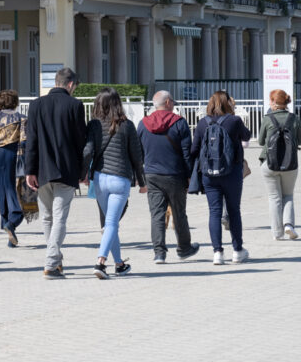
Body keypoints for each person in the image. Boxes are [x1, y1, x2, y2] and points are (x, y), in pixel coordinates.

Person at [24, 67, 88, 279]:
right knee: (59, 217)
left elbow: (31, 140)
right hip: (67, 170)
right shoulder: (75, 105)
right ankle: (51, 263)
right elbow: (81, 142)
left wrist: (29, 170)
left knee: (47, 217)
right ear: (70, 84)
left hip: (41, 171)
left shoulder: (35, 105)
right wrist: (83, 170)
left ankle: (56, 260)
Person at [85, 89, 145, 278]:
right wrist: (142, 182)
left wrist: (83, 174)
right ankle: (100, 262)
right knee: (111, 223)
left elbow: (87, 152)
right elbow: (137, 156)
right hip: (120, 178)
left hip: (100, 179)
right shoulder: (127, 125)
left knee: (110, 224)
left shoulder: (93, 125)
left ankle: (119, 264)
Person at [191, 90, 252, 265]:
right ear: (228, 103)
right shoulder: (234, 121)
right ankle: (237, 250)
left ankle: (217, 252)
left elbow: (194, 150)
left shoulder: (203, 123)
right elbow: (247, 136)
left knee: (214, 212)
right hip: (232, 172)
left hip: (209, 174)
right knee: (234, 211)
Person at [138, 90, 199, 264]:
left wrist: (141, 175)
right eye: (172, 100)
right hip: (175, 175)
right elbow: (187, 153)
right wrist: (189, 176)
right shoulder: (179, 123)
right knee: (179, 213)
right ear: (167, 103)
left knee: (157, 214)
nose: (173, 103)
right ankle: (184, 249)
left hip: (152, 175)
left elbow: (138, 152)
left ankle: (159, 253)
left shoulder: (143, 124)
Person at [256, 89, 301, 241]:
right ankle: (289, 225)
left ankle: (277, 233)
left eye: (270, 100)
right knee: (288, 195)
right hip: (290, 163)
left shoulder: (267, 118)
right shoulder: (294, 118)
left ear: (274, 103)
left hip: (269, 164)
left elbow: (260, 141)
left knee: (274, 197)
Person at [0, 90, 26, 247]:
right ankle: (13, 221)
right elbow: (24, 141)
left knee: (1, 188)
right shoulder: (21, 119)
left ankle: (7, 226)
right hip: (14, 153)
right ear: (15, 102)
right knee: (18, 191)